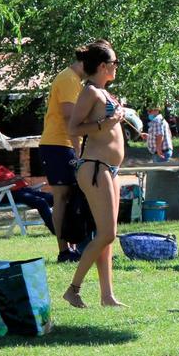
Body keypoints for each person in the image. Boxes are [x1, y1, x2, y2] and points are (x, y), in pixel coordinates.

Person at [62, 41, 126, 308]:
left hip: (110, 169)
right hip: (95, 167)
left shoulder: (105, 92)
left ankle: (107, 295)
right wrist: (106, 122)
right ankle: (73, 289)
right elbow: (74, 128)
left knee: (107, 235)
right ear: (102, 66)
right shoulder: (90, 92)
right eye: (114, 62)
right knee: (106, 234)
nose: (116, 67)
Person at [40, 42, 108, 262]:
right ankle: (64, 250)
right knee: (61, 197)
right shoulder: (69, 79)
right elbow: (70, 117)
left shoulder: (75, 80)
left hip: (66, 144)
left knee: (71, 197)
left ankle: (75, 245)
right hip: (58, 144)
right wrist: (79, 151)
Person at [0, 148, 54, 233]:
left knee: (54, 199)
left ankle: (62, 224)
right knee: (41, 202)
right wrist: (10, 181)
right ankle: (56, 229)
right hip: (9, 194)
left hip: (24, 190)